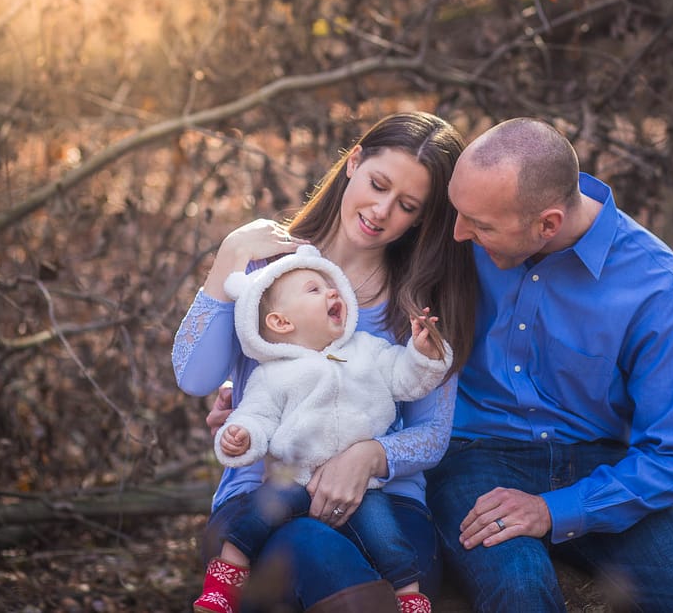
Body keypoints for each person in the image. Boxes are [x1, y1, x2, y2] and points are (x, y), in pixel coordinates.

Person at [424, 117, 673, 612]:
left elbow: (672, 458)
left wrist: (555, 510)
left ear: (547, 224)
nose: (459, 232)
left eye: (482, 225)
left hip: (601, 468)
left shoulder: (657, 289)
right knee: (521, 587)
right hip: (476, 456)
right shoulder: (466, 232)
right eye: (459, 212)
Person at [173, 111, 476, 613]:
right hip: (263, 500)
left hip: (387, 505)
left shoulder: (420, 304)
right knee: (312, 552)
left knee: (384, 574)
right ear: (353, 162)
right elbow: (195, 375)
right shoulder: (267, 269)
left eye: (405, 205)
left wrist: (365, 457)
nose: (380, 211)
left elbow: (431, 433)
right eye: (377, 184)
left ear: (421, 217)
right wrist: (230, 255)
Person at [194, 244, 454, 613]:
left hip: (363, 487)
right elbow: (257, 416)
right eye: (314, 290)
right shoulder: (273, 374)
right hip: (294, 476)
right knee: (257, 517)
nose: (333, 291)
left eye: (332, 287)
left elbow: (406, 379)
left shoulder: (367, 349)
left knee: (386, 536)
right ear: (281, 322)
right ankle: (224, 581)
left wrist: (424, 354)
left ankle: (409, 595)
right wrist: (242, 436)